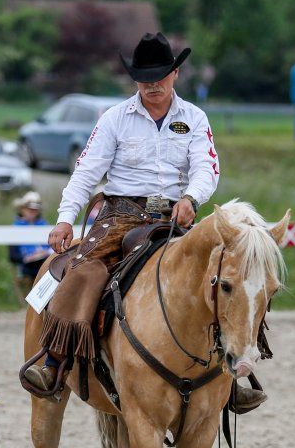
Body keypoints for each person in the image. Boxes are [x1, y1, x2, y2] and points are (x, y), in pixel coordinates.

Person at [20, 32, 266, 413]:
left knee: (225, 275)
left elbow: (206, 167)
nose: (152, 86)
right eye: (144, 79)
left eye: (159, 78)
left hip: (176, 214)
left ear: (175, 74)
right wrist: (65, 218)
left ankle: (231, 373)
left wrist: (191, 198)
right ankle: (55, 359)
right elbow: (86, 171)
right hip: (121, 214)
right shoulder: (114, 118)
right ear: (135, 80)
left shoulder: (194, 119)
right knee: (81, 270)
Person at [11, 191, 51, 287]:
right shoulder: (16, 227)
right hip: (26, 264)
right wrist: (26, 258)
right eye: (30, 209)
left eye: (35, 210)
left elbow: (52, 245)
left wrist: (45, 252)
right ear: (22, 209)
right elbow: (13, 255)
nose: (32, 212)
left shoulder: (44, 224)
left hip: (45, 259)